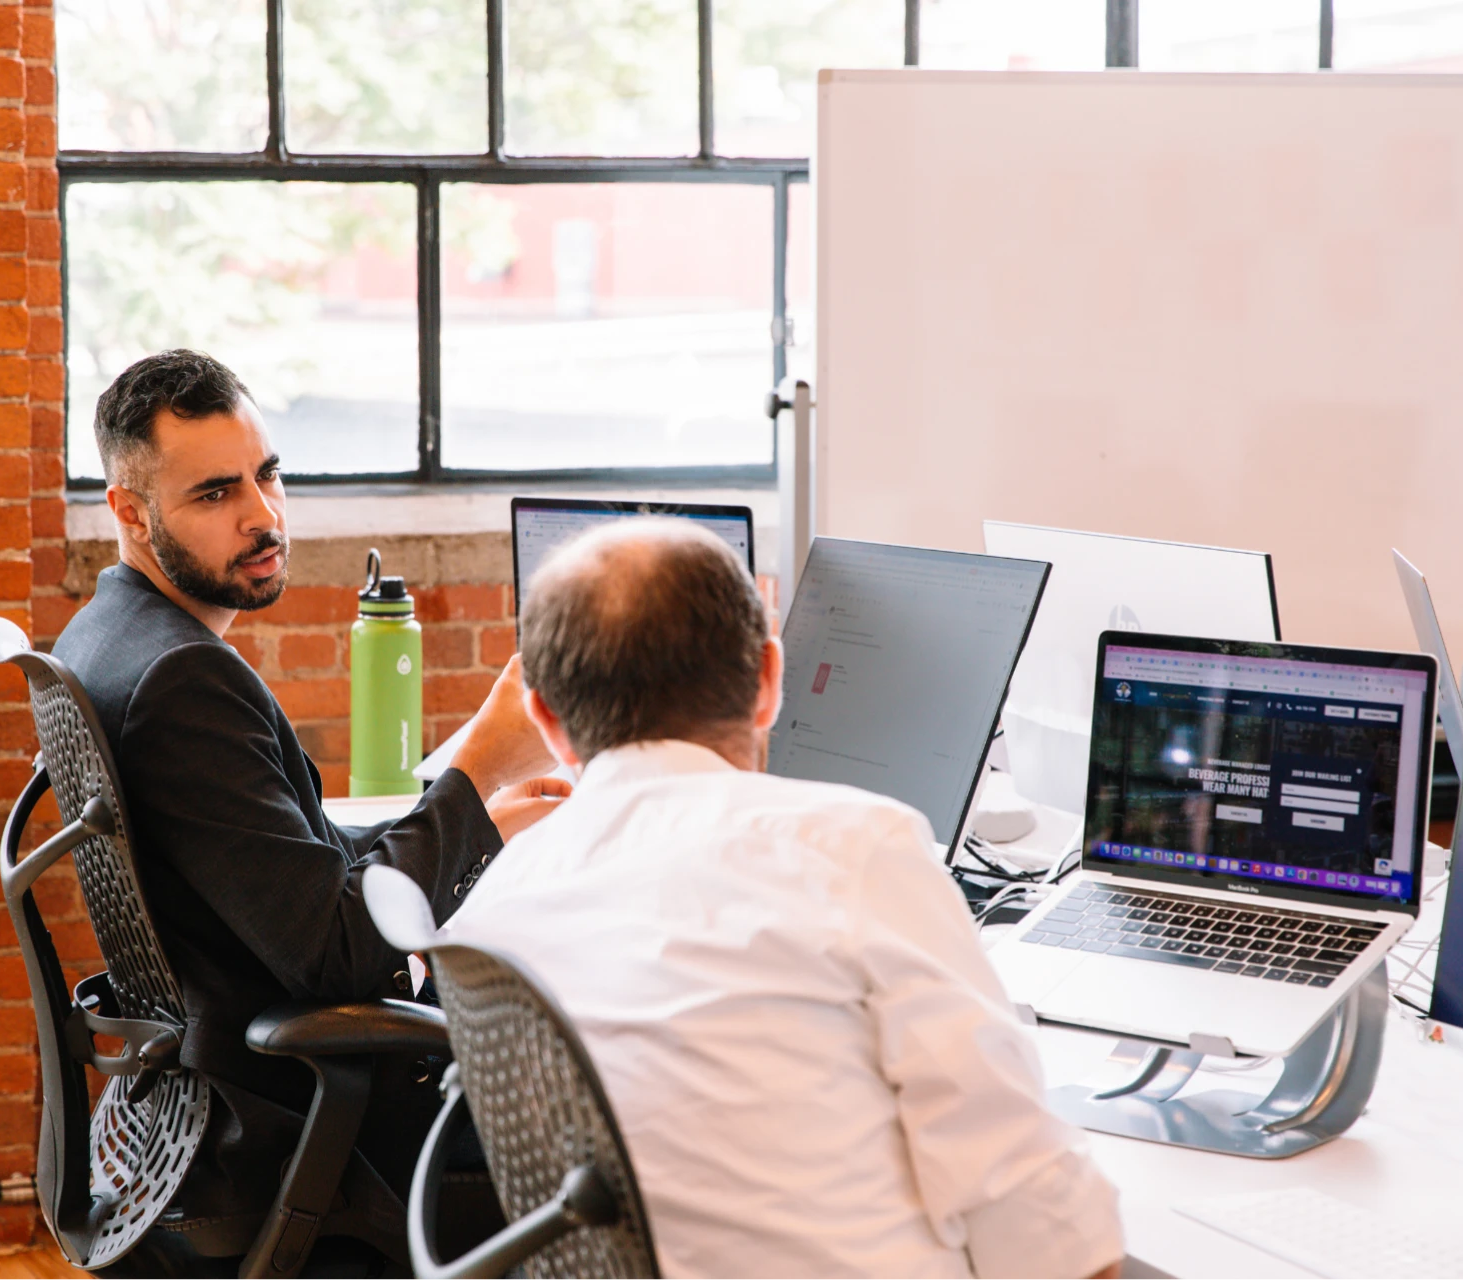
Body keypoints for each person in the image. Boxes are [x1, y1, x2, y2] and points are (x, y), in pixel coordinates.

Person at [442, 518, 1125, 1280]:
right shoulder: (857, 850)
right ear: (770, 680)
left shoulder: (491, 909)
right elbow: (1038, 1212)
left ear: (546, 721)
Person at [52, 349, 566, 1259]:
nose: (261, 515)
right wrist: (483, 764)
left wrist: (480, 826)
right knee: (624, 1124)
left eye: (268, 474)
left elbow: (292, 867)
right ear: (129, 512)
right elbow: (341, 957)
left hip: (204, 1101)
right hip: (300, 1129)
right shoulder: (183, 679)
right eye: (214, 495)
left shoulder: (108, 633)